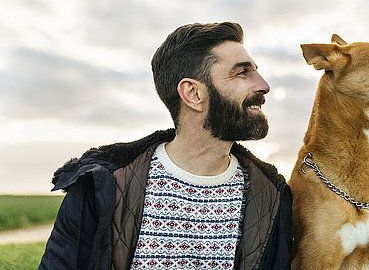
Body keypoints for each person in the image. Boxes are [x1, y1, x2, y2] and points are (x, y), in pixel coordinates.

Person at [39, 22, 292, 269]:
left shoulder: (273, 195)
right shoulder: (102, 186)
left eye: (256, 71)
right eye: (242, 72)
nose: (264, 85)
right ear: (193, 93)